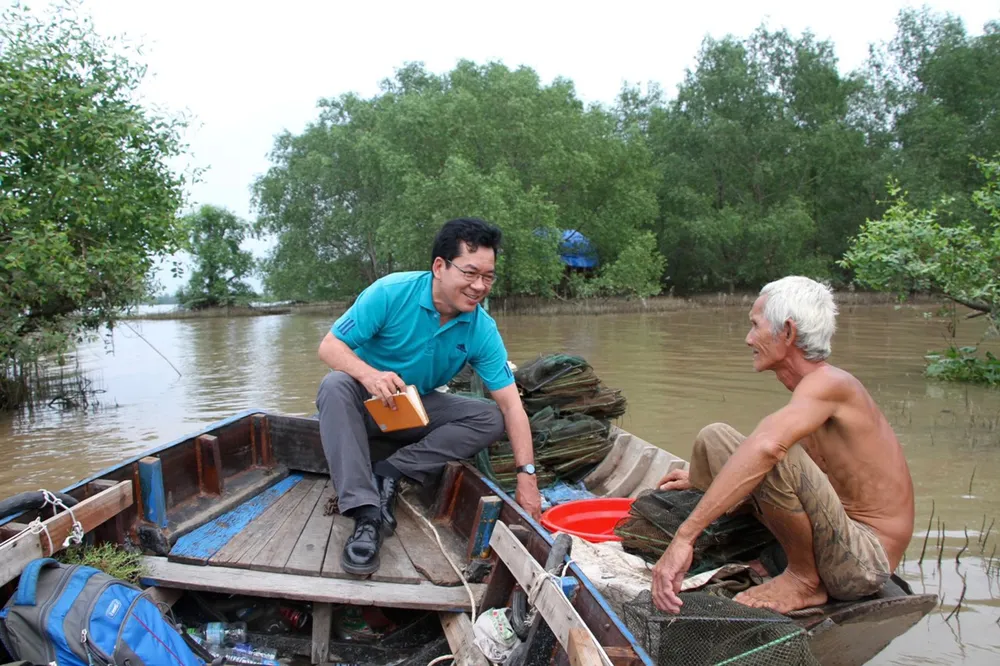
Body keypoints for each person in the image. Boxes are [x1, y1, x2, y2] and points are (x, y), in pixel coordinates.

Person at [651, 276, 915, 615]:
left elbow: (768, 449)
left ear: (787, 333)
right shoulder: (810, 394)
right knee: (716, 437)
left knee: (774, 452)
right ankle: (793, 562)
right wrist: (705, 476)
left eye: (755, 326)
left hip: (863, 562)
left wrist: (685, 537)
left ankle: (804, 581)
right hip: (835, 535)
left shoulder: (832, 384)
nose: (748, 339)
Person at [315, 218, 541, 576]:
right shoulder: (391, 293)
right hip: (367, 406)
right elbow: (330, 346)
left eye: (488, 276)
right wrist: (369, 375)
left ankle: (391, 470)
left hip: (416, 411)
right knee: (334, 386)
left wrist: (527, 477)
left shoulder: (480, 327)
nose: (479, 286)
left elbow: (511, 404)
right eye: (470, 273)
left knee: (489, 417)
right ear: (440, 266)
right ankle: (366, 514)